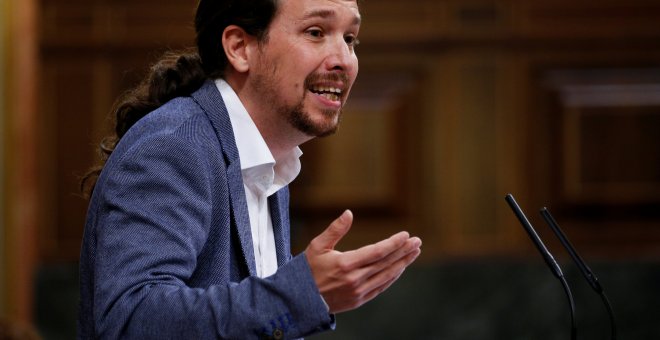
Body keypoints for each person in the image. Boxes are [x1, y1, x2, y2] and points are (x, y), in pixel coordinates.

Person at [78, 0, 422, 338]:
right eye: (316, 32)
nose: (343, 60)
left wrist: (303, 296)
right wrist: (301, 294)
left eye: (349, 39)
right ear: (240, 48)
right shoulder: (175, 147)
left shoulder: (270, 161)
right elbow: (130, 323)